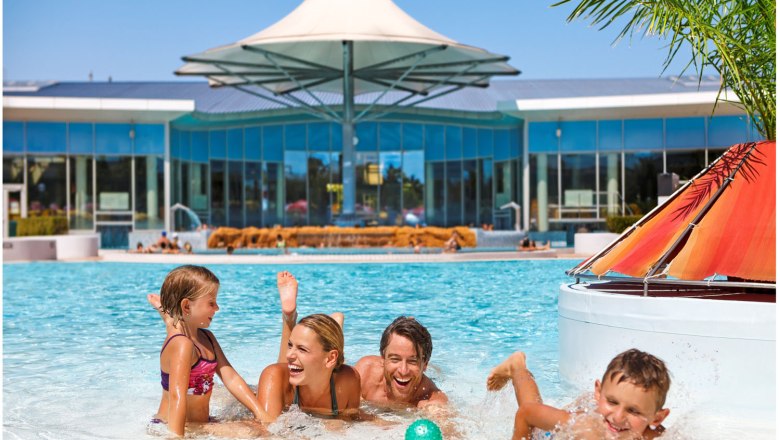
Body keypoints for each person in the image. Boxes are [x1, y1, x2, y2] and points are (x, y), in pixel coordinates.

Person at [149, 265, 270, 436]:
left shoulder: (207, 338)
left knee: (256, 420)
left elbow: (231, 377)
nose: (217, 308)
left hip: (201, 423)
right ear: (187, 306)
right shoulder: (181, 345)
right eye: (211, 303)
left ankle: (168, 313)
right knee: (254, 433)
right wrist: (176, 437)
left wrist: (261, 413)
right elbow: (177, 396)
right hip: (175, 426)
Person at [487, 349, 671, 440]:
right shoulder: (582, 428)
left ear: (657, 418)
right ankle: (517, 368)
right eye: (612, 402)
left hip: (594, 406)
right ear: (599, 392)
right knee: (537, 430)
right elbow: (527, 413)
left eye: (633, 411)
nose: (618, 417)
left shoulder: (655, 437)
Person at [255, 271, 361, 420]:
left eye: (302, 349)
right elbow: (265, 429)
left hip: (327, 362)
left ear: (331, 358)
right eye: (290, 346)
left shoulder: (348, 380)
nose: (288, 354)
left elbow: (351, 421)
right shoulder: (273, 377)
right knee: (283, 366)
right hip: (285, 381)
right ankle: (289, 318)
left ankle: (334, 323)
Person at [354, 316, 447, 408]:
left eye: (412, 361)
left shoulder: (430, 399)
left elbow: (440, 411)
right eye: (395, 359)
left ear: (425, 364)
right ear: (383, 359)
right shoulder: (365, 374)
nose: (403, 371)